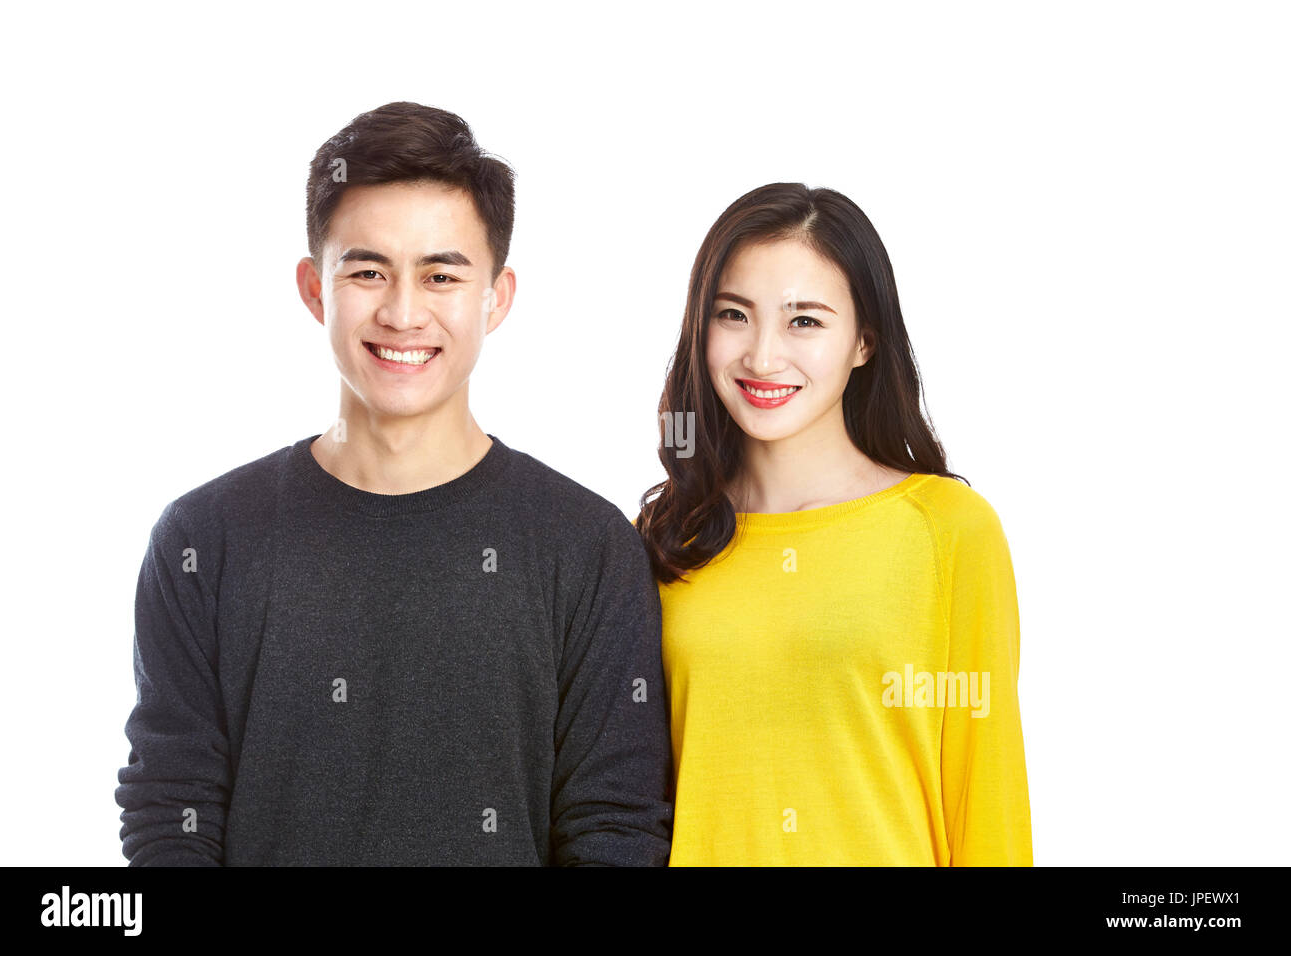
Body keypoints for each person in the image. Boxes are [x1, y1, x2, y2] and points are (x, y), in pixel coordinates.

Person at [114, 102, 673, 866]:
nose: (403, 311)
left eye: (441, 274)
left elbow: (615, 826)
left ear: (497, 297)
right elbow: (170, 813)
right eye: (368, 270)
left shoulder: (589, 547)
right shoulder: (204, 540)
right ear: (315, 289)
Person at [635, 182, 1032, 865]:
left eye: (805, 321)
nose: (762, 357)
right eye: (733, 315)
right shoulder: (666, 539)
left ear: (864, 341)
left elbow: (985, 795)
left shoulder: (949, 532)